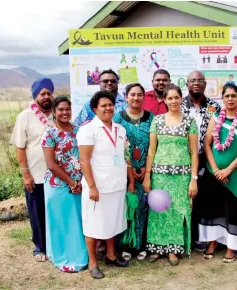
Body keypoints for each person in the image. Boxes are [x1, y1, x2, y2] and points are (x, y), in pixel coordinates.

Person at [194, 83, 237, 263]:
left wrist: (228, 169)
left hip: (236, 175)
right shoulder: (215, 117)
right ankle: (212, 243)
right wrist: (215, 169)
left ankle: (231, 247)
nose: (230, 99)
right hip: (214, 174)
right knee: (214, 209)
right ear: (223, 98)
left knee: (234, 210)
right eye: (227, 96)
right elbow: (207, 145)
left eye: (234, 96)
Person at [77, 91, 134, 279]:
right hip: (98, 188)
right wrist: (92, 187)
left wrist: (130, 181)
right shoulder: (88, 130)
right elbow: (84, 161)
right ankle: (92, 263)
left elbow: (125, 157)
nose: (108, 108)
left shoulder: (120, 129)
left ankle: (111, 255)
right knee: (93, 224)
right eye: (103, 105)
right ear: (95, 109)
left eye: (110, 104)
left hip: (117, 185)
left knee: (114, 221)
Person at [143, 84, 199, 266]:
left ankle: (174, 249)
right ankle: (158, 247)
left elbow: (193, 153)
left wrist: (193, 179)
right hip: (159, 175)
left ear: (181, 99)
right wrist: (147, 175)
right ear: (165, 100)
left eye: (176, 97)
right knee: (158, 210)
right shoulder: (157, 121)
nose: (173, 101)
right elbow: (151, 151)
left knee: (177, 211)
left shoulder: (189, 122)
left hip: (182, 176)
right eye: (170, 98)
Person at [41, 96, 88, 272]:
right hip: (58, 185)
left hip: (79, 184)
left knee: (76, 221)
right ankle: (61, 256)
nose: (65, 112)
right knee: (60, 221)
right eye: (60, 109)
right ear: (54, 111)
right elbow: (51, 164)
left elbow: (84, 156)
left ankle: (80, 255)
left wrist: (80, 181)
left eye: (67, 109)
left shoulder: (78, 131)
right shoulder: (49, 133)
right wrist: (71, 182)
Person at [10, 77, 55, 262]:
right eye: (42, 93)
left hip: (57, 175)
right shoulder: (25, 117)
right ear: (35, 96)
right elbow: (20, 147)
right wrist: (25, 173)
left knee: (55, 211)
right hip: (35, 175)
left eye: (49, 93)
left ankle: (54, 245)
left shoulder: (59, 113)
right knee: (37, 212)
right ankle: (40, 247)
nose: (46, 97)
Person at [181, 70, 221, 252]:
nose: (196, 83)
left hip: (206, 160)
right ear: (187, 84)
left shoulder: (214, 106)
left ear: (205, 84)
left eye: (199, 80)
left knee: (203, 199)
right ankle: (182, 237)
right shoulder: (178, 105)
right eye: (192, 80)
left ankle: (200, 238)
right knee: (182, 200)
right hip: (182, 160)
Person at [114, 83, 154, 261]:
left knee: (144, 208)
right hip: (124, 171)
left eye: (139, 95)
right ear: (126, 96)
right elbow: (115, 147)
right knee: (127, 208)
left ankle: (142, 245)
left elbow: (155, 146)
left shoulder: (152, 119)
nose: (136, 98)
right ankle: (126, 245)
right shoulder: (118, 119)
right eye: (132, 94)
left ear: (144, 97)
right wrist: (129, 169)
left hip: (148, 171)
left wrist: (147, 169)